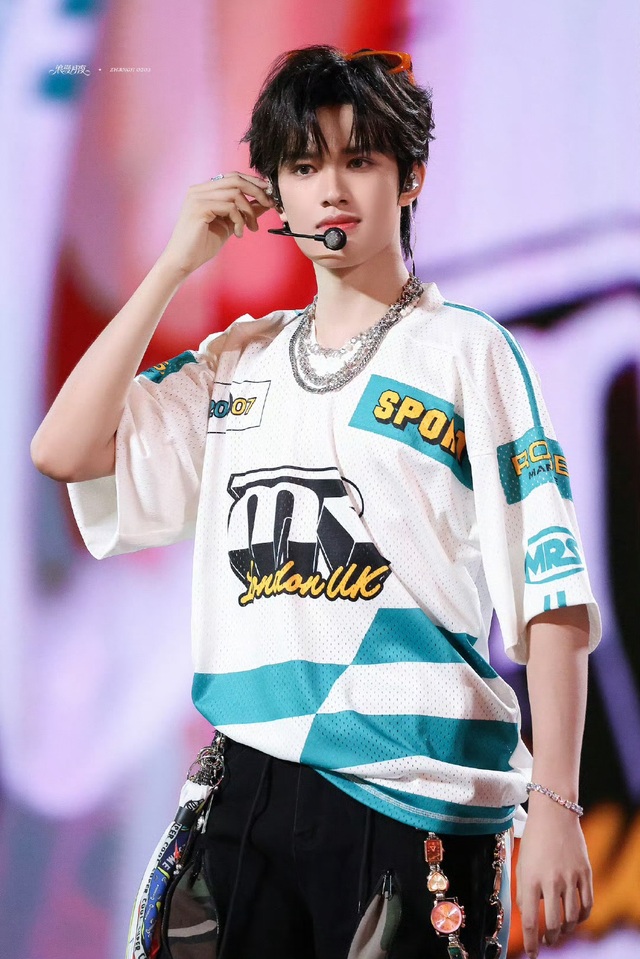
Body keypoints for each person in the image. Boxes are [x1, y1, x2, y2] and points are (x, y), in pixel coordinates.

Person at [31, 45, 601, 959]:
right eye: (303, 166)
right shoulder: (238, 361)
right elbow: (62, 449)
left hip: (417, 804)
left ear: (410, 178)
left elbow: (551, 594)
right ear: (273, 192)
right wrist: (174, 265)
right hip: (244, 800)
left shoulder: (469, 353)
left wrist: (559, 804)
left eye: (358, 159)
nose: (331, 189)